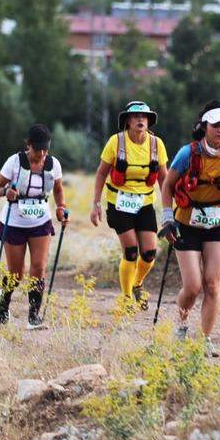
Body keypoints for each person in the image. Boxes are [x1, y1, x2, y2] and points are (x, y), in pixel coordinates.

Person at [158, 100, 220, 357]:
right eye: (216, 125)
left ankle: (205, 339)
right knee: (193, 286)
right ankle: (182, 324)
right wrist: (166, 219)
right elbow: (167, 186)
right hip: (186, 222)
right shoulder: (188, 153)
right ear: (204, 126)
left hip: (218, 222)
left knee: (212, 284)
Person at [0, 123, 70, 329]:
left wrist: (61, 207)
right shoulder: (14, 162)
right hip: (14, 220)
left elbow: (58, 189)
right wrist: (6, 190)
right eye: (37, 149)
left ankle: (33, 317)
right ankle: (3, 304)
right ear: (29, 145)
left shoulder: (54, 164)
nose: (41, 154)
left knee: (39, 268)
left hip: (40, 219)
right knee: (16, 274)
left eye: (45, 149)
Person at [91, 100, 169, 309]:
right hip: (119, 204)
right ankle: (126, 299)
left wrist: (170, 209)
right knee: (131, 250)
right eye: (135, 116)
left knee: (150, 253)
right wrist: (96, 204)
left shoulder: (156, 144)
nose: (140, 120)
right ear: (127, 121)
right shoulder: (115, 142)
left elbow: (164, 178)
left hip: (144, 203)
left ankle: (137, 284)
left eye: (144, 116)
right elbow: (101, 173)